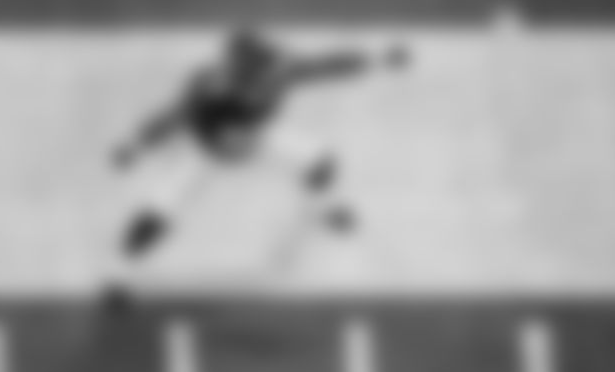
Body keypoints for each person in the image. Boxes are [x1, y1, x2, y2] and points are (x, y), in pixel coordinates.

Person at [106, 28, 409, 301]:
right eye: (257, 74)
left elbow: (328, 66)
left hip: (256, 141)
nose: (266, 78)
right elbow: (169, 118)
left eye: (268, 69)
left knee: (320, 160)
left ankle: (324, 207)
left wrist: (379, 59)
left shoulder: (277, 74)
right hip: (204, 153)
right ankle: (120, 276)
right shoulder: (204, 89)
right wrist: (134, 145)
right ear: (237, 74)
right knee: (158, 211)